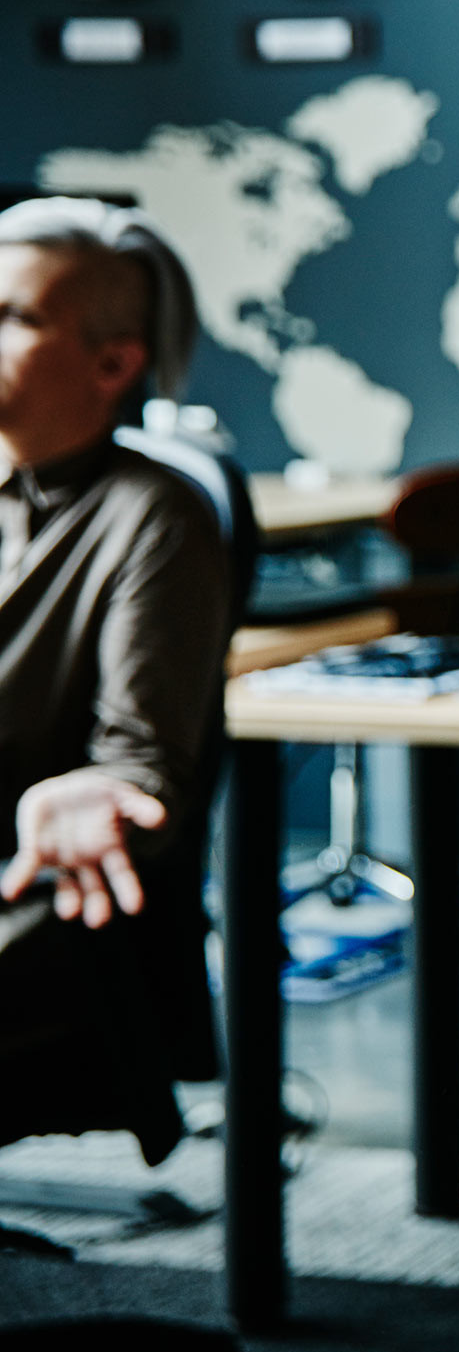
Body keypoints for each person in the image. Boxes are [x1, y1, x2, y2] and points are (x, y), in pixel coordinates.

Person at [0, 197, 226, 1162]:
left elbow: (141, 766)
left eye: (14, 316)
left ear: (114, 364)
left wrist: (97, 795)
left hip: (31, 886)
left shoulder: (154, 516)